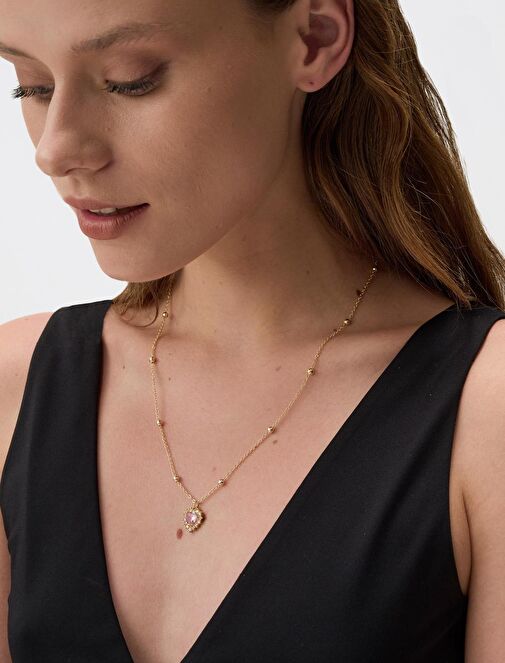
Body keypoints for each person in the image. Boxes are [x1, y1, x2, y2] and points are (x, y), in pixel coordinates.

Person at [0, 0, 504, 661]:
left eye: (130, 79)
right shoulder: (13, 388)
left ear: (314, 37)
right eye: (32, 85)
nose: (55, 148)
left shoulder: (486, 412)